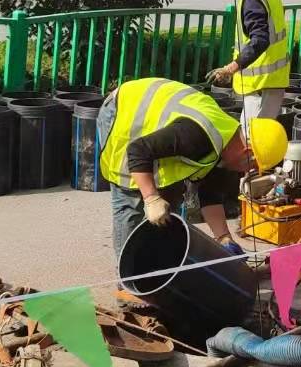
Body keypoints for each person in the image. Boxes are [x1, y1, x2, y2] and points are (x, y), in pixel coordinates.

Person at [98, 76, 287, 258]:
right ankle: (128, 279)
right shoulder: (196, 136)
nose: (246, 172)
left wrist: (224, 238)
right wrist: (151, 197)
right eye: (252, 166)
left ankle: (157, 263)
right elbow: (137, 151)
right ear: (247, 152)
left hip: (155, 128)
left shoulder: (226, 144)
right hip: (124, 111)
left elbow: (210, 194)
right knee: (131, 199)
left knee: (170, 195)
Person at [203, 0, 290, 128]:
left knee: (253, 144)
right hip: (270, 83)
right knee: (261, 141)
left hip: (261, 86)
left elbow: (260, 40)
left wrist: (231, 68)